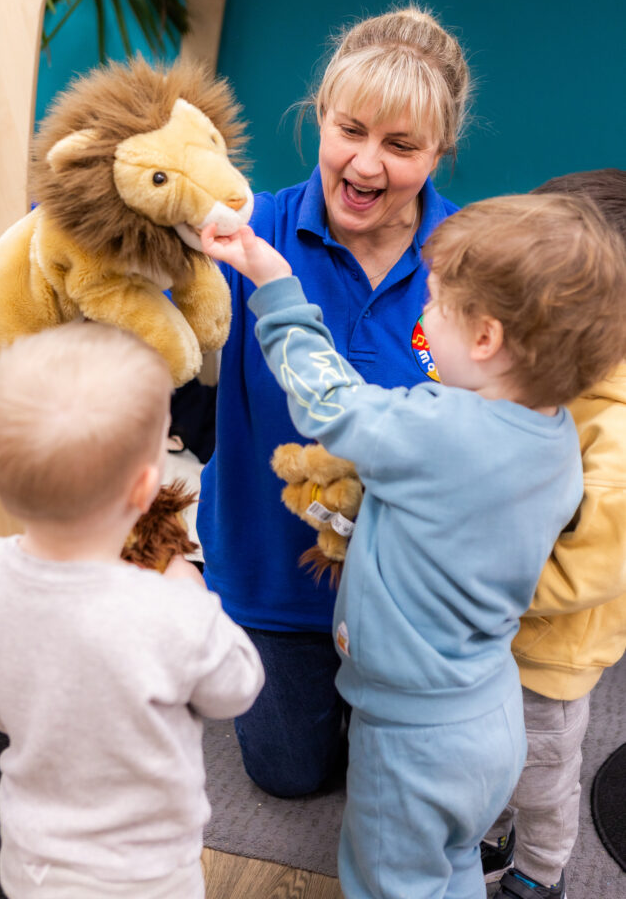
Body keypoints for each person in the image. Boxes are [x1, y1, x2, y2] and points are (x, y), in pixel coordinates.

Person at [200, 189, 626, 899]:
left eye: (433, 307)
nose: (421, 319)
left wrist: (274, 284)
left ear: (485, 338)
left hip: (412, 735)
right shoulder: (554, 436)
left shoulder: (438, 429)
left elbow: (325, 400)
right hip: (490, 714)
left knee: (391, 880)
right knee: (448, 859)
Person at [197, 3, 471, 797]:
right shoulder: (249, 232)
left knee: (406, 780)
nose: (366, 165)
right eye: (350, 130)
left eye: (400, 145)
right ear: (318, 116)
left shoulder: (471, 261)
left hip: (411, 588)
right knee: (292, 776)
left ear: (438, 152)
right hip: (271, 575)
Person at [0, 322, 264, 899]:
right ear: (147, 486)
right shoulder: (168, 608)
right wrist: (192, 591)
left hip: (30, 858)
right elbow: (237, 687)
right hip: (146, 875)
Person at [481, 169, 626, 899]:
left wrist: (465, 581)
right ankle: (489, 827)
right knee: (484, 756)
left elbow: (582, 572)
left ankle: (539, 873)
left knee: (540, 777)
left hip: (548, 662)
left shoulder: (615, 437)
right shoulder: (552, 374)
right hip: (493, 634)